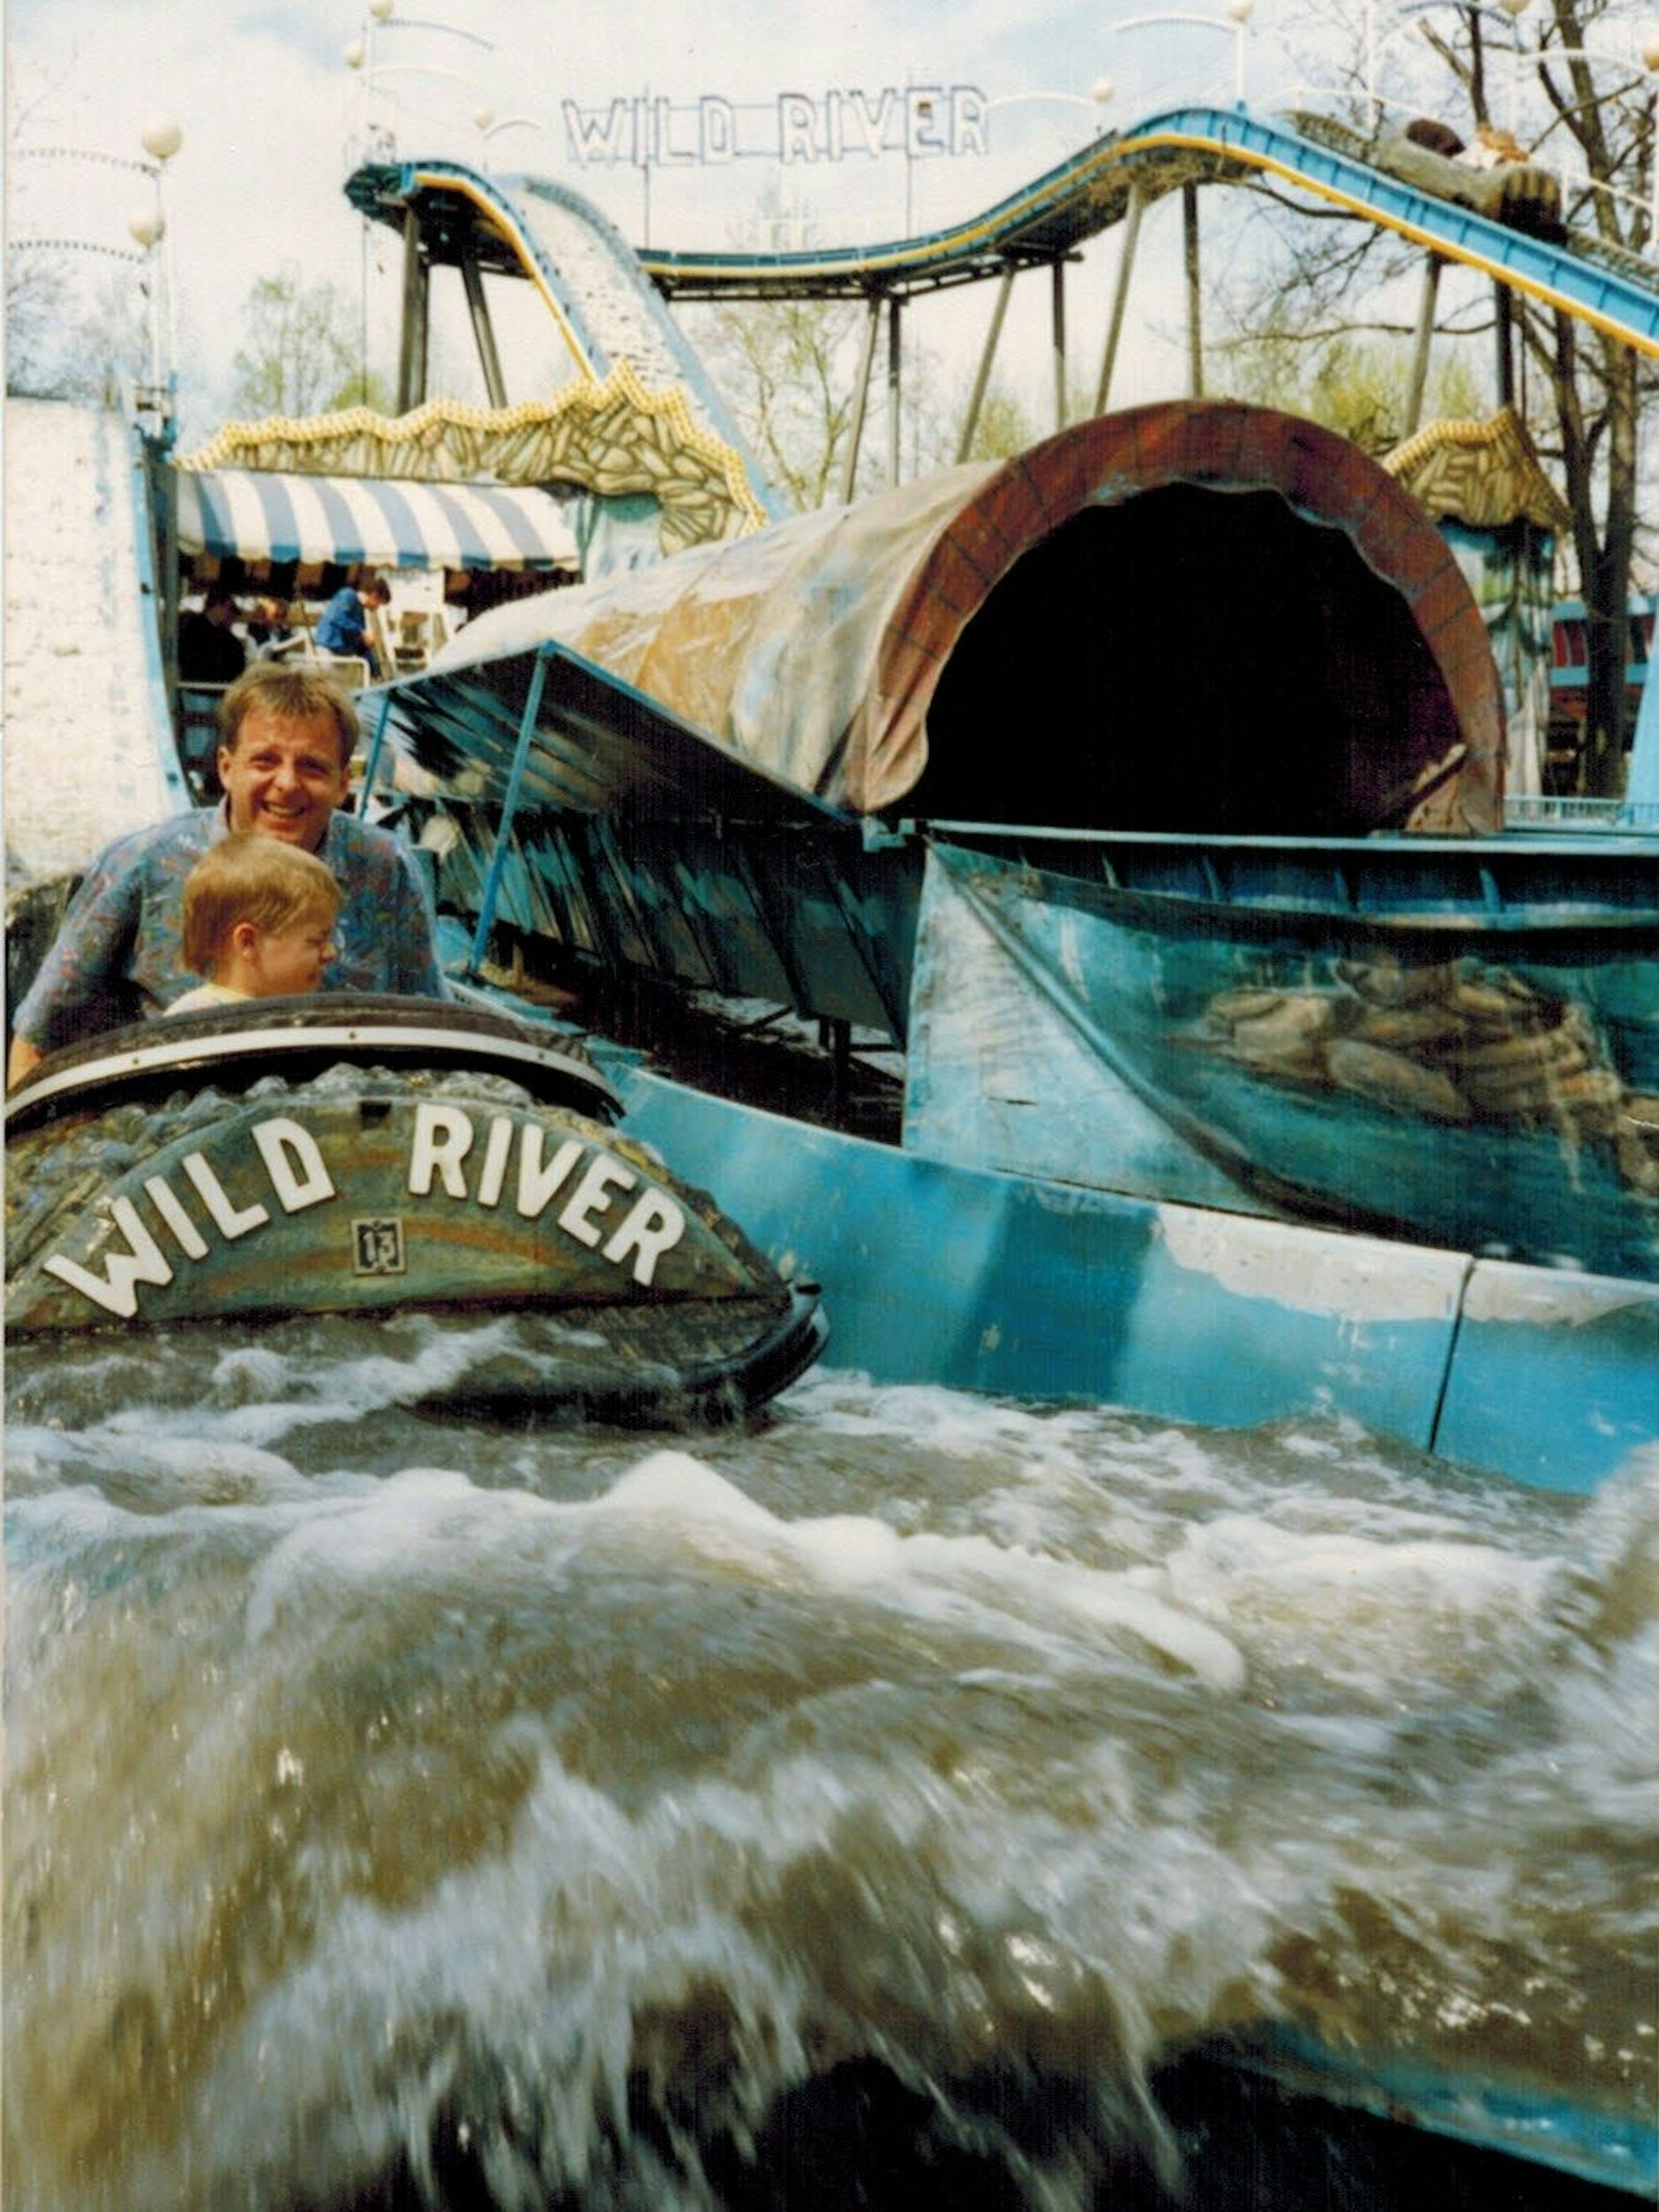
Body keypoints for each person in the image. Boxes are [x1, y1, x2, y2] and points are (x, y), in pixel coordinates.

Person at [7, 662, 450, 1086]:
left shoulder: (384, 867)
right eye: (265, 761)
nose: (287, 783)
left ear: (342, 782)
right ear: (226, 767)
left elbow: (431, 1029)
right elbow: (40, 1038)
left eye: (312, 766)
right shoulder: (143, 863)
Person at [168, 833, 342, 1012]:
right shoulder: (199, 1018)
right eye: (316, 941)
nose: (331, 953)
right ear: (248, 942)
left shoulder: (295, 1014)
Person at [315, 571, 392, 677]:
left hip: (342, 655)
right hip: (328, 650)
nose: (377, 608)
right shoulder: (347, 595)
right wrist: (361, 632)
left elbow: (360, 645)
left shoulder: (360, 611)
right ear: (374, 596)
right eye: (379, 603)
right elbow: (336, 617)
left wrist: (375, 670)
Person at [176, 581, 247, 684]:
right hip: (197, 687)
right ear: (217, 605)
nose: (232, 616)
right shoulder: (192, 630)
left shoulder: (229, 640)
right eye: (229, 609)